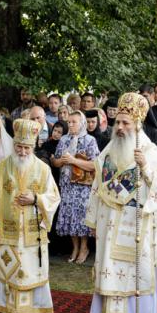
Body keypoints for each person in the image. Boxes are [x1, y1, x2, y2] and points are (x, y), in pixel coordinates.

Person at [85, 93, 157, 313]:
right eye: (119, 123)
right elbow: (97, 187)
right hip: (109, 222)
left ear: (137, 124)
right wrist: (93, 221)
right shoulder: (107, 152)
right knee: (110, 268)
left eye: (127, 123)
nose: (121, 127)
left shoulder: (150, 151)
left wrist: (146, 168)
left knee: (136, 272)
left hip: (138, 224)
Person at [0, 119, 61, 313]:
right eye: (19, 147)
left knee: (32, 268)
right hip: (9, 229)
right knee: (10, 267)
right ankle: (8, 308)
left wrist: (36, 199)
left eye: (26, 148)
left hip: (33, 231)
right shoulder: (3, 167)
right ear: (14, 145)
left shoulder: (42, 169)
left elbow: (53, 197)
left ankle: (33, 308)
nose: (22, 152)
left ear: (33, 147)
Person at [51, 110, 99, 264]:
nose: (70, 124)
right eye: (69, 122)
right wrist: (63, 161)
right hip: (66, 184)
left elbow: (94, 165)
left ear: (82, 123)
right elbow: (55, 162)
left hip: (83, 186)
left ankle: (84, 247)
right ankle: (75, 247)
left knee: (81, 217)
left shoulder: (90, 140)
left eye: (74, 122)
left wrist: (73, 160)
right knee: (70, 216)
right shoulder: (64, 139)